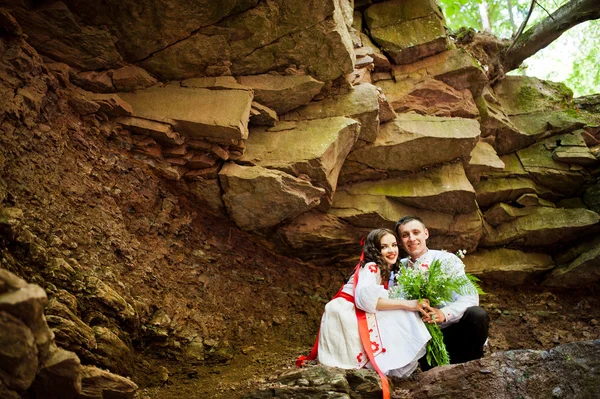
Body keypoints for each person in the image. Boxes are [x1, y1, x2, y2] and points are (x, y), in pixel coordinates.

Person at [297, 228, 431, 397]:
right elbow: (368, 302)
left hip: (347, 311)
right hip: (346, 313)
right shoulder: (372, 267)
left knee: (400, 311)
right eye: (384, 247)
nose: (391, 250)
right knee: (404, 313)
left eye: (394, 245)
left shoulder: (378, 269)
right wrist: (408, 304)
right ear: (375, 250)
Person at [395, 215, 490, 369]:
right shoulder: (398, 269)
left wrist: (444, 314)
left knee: (477, 315)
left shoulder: (446, 259)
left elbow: (469, 297)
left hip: (455, 334)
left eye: (416, 232)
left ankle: (472, 365)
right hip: (423, 341)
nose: (411, 239)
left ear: (426, 233)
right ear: (400, 241)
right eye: (405, 235)